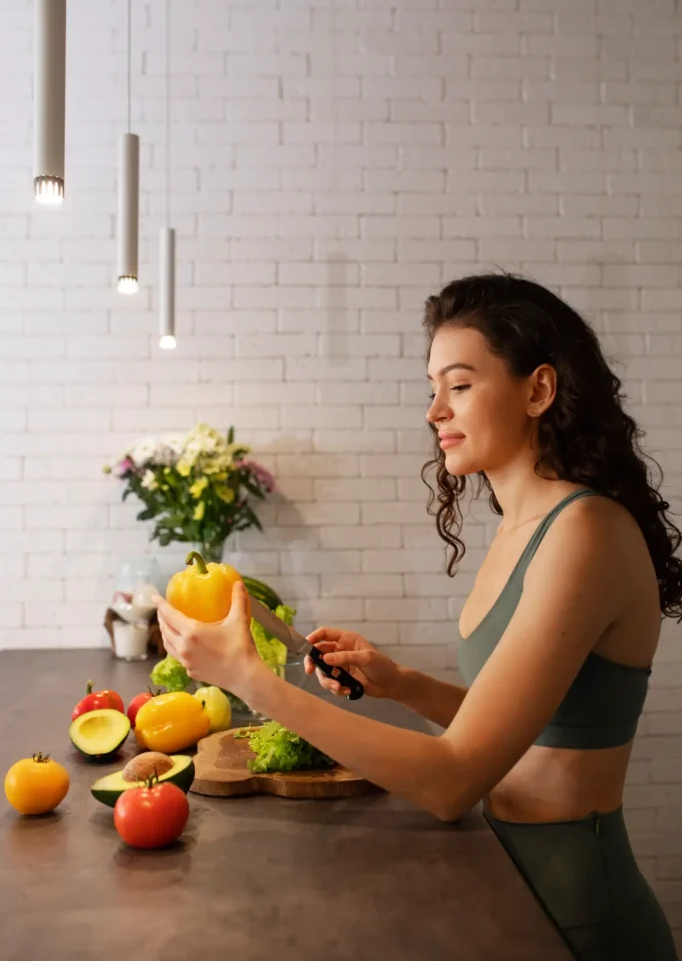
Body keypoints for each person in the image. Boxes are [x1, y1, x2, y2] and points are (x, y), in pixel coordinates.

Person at [155, 272, 680, 960]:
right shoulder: (528, 526)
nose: (435, 411)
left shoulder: (585, 534)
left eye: (459, 386)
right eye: (433, 388)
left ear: (538, 390)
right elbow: (534, 727)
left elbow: (453, 780)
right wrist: (399, 682)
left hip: (581, 914)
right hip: (512, 887)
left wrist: (253, 682)